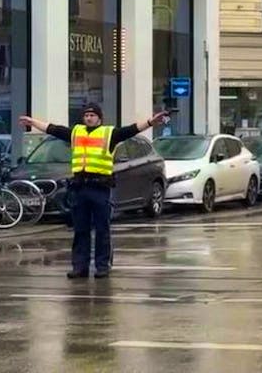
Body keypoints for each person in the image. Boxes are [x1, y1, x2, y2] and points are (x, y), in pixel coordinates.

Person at [19, 104, 168, 279]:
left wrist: (150, 122)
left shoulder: (108, 133)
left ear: (99, 118)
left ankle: (102, 266)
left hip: (100, 188)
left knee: (102, 229)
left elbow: (130, 130)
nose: (88, 118)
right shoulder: (76, 133)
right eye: (86, 115)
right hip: (80, 187)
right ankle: (79, 267)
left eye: (92, 115)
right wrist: (32, 122)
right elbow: (54, 129)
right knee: (80, 230)